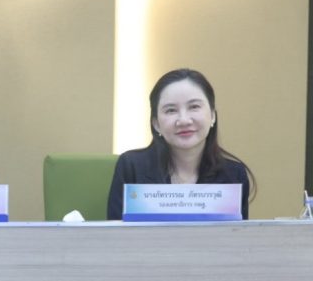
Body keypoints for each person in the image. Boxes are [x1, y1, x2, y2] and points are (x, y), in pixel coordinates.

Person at [107, 68, 255, 220]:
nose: (184, 120)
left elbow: (237, 234)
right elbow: (115, 232)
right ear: (156, 124)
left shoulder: (233, 174)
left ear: (212, 116)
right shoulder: (131, 167)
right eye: (171, 110)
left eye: (194, 107)